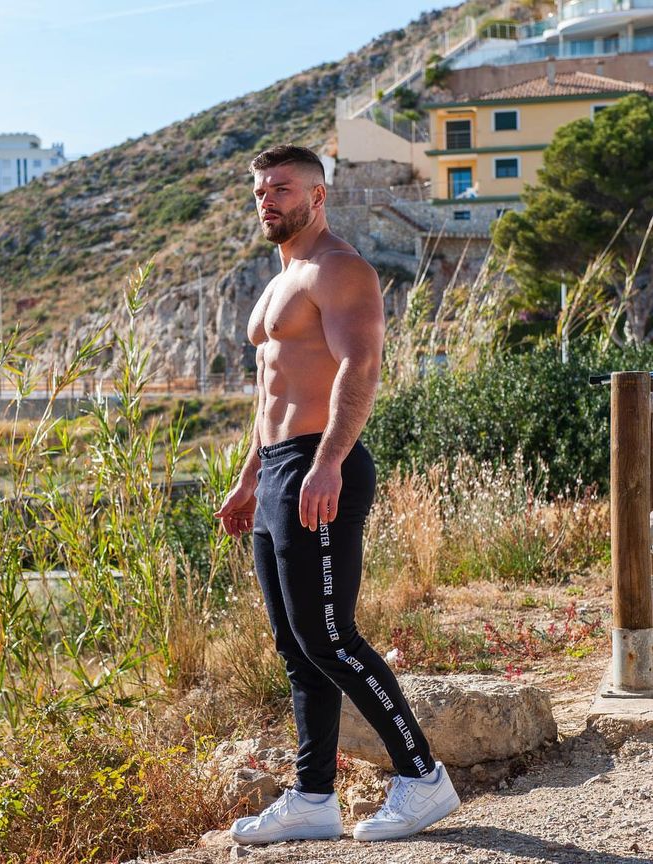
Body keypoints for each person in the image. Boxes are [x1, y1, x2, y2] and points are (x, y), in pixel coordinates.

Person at [214, 144, 459, 845]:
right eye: (260, 190)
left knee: (329, 635)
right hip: (280, 469)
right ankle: (313, 797)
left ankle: (421, 778)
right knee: (296, 646)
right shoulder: (277, 281)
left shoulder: (339, 269)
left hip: (323, 465)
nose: (267, 200)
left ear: (317, 196)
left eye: (281, 188)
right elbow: (273, 391)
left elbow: (360, 365)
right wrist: (249, 475)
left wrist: (328, 462)